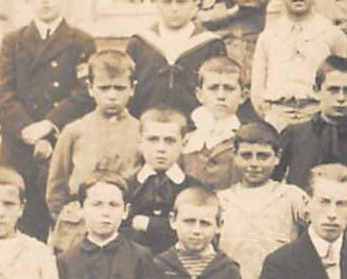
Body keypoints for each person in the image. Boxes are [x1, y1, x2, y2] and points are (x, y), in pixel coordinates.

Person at [0, 0, 96, 241]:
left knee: (65, 219)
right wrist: (28, 129)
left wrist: (49, 124)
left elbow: (85, 94)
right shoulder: (13, 42)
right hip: (19, 143)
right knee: (20, 221)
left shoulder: (81, 42)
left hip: (61, 140)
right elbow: (2, 98)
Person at [45, 50, 140, 254]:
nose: (112, 95)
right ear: (90, 88)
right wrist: (67, 218)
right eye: (104, 88)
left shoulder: (141, 131)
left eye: (119, 88)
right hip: (77, 228)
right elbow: (56, 185)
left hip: (123, 227)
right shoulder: (74, 131)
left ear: (132, 89)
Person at [252, 0, 347, 131]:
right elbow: (257, 87)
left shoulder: (331, 34)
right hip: (277, 115)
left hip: (317, 115)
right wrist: (268, 112)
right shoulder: (269, 36)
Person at [218, 121, 307, 279]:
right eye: (246, 156)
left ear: (278, 157)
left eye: (263, 156)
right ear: (234, 156)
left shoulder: (291, 196)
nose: (254, 163)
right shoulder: (222, 200)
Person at [126, 0, 228, 119]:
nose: (174, 8)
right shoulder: (140, 43)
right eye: (167, 2)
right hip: (148, 127)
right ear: (155, 1)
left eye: (181, 2)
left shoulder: (210, 44)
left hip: (196, 129)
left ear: (196, 2)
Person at [277, 56, 347, 188]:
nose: (341, 98)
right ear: (316, 91)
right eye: (333, 90)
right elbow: (272, 181)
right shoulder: (294, 134)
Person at [125, 107, 190, 255]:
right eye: (153, 140)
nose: (161, 148)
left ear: (184, 143)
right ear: (140, 142)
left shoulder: (193, 189)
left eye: (170, 141)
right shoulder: (126, 187)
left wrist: (149, 224)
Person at [181, 56, 247, 190]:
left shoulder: (246, 138)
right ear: (199, 95)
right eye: (213, 88)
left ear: (243, 96)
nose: (221, 96)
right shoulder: (186, 138)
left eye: (229, 88)